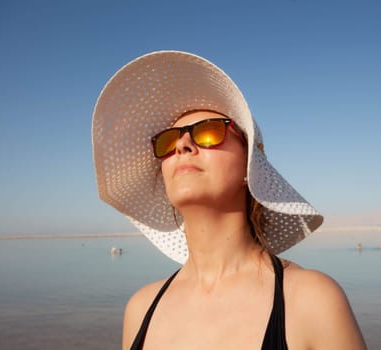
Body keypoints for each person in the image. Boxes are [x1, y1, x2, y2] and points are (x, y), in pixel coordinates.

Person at [92, 51, 366, 350]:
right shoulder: (140, 308)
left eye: (208, 132)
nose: (182, 145)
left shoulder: (311, 300)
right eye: (167, 141)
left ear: (250, 167)